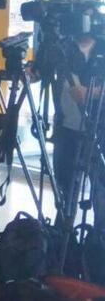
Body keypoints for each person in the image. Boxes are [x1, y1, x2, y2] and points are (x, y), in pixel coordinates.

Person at [43, 32, 105, 231]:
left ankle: (99, 239)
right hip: (66, 130)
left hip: (97, 131)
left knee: (100, 189)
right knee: (65, 188)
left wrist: (92, 93)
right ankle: (63, 235)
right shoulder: (63, 49)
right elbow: (43, 72)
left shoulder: (101, 49)